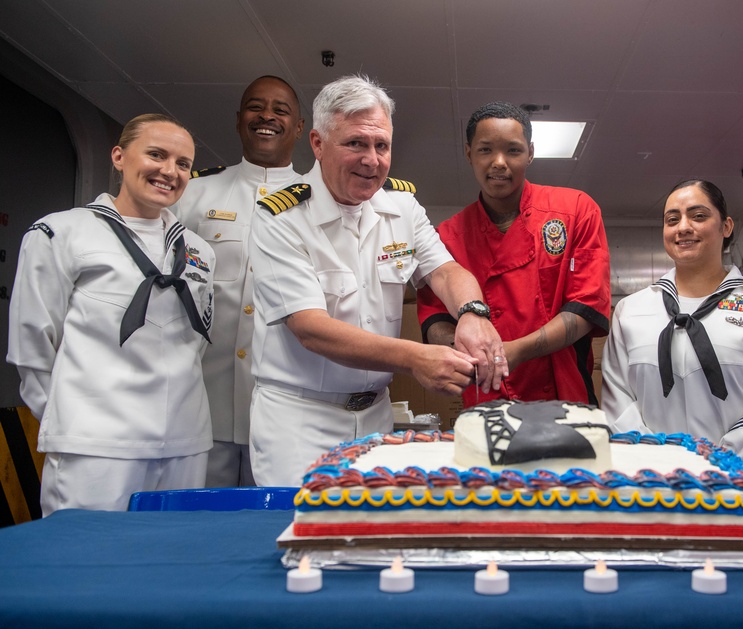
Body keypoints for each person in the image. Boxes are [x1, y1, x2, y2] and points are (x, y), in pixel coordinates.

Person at [248, 74, 507, 487]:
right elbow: (311, 329)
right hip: (299, 420)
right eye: (356, 143)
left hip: (376, 416)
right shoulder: (279, 217)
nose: (372, 160)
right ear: (317, 144)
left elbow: (444, 271)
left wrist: (473, 314)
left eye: (381, 145)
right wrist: (413, 358)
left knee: (372, 532)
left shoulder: (401, 205)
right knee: (303, 535)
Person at [7, 114, 215, 515]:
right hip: (94, 442)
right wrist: (71, 421)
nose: (169, 171)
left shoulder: (199, 251)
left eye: (183, 163)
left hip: (185, 439)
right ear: (119, 157)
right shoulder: (60, 233)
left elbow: (192, 345)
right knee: (84, 563)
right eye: (156, 154)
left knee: (168, 561)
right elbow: (32, 343)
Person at [602, 180, 743, 485]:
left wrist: (721, 461)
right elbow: (617, 398)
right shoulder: (631, 312)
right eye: (672, 219)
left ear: (726, 226)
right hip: (656, 482)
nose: (683, 227)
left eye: (698, 216)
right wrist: (658, 461)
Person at [417, 101, 611, 407]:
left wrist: (516, 350)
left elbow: (586, 307)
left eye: (513, 150)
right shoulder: (447, 236)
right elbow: (435, 319)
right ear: (468, 153)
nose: (499, 162)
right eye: (485, 150)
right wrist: (477, 352)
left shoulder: (575, 211)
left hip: (566, 396)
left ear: (530, 153)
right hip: (486, 396)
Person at [175, 75, 304, 487]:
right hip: (201, 408)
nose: (267, 115)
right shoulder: (193, 194)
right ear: (237, 120)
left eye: (281, 109)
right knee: (198, 532)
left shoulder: (317, 199)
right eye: (256, 106)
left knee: (269, 532)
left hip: (285, 415)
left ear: (300, 128)